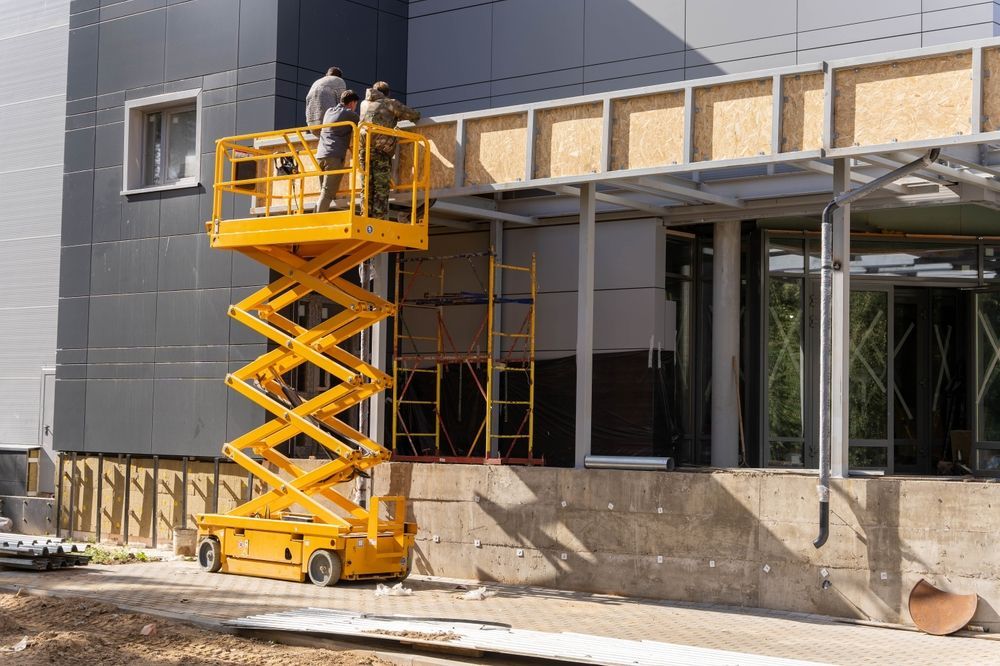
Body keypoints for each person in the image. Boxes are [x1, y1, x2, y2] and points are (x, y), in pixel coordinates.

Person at [359, 81, 420, 219]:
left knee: (366, 185)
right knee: (380, 187)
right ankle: (379, 219)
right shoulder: (389, 103)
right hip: (381, 150)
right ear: (387, 93)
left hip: (363, 150)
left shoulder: (364, 104)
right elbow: (412, 115)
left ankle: (365, 216)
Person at [315, 89, 360, 213]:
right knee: (327, 194)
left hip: (320, 155)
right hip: (333, 157)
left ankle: (316, 217)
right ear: (352, 103)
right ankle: (318, 223)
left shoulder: (329, 111)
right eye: (355, 105)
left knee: (323, 192)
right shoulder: (348, 114)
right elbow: (364, 124)